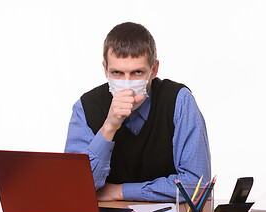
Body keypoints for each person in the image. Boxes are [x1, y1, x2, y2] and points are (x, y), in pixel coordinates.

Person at [65, 22, 211, 202]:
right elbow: (76, 187)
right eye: (117, 72)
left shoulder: (178, 100)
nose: (127, 83)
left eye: (137, 73)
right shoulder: (85, 107)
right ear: (105, 70)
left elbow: (196, 185)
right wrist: (109, 127)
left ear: (154, 70)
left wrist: (120, 192)